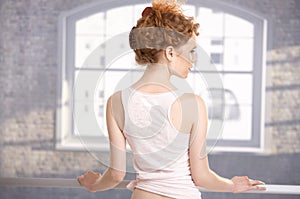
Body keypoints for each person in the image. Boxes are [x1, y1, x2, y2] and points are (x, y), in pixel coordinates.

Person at [77, 0, 266, 198]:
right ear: (169, 52)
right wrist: (232, 185)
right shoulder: (194, 105)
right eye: (191, 51)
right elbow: (201, 176)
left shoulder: (116, 102)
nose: (194, 60)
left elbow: (116, 174)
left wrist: (95, 184)